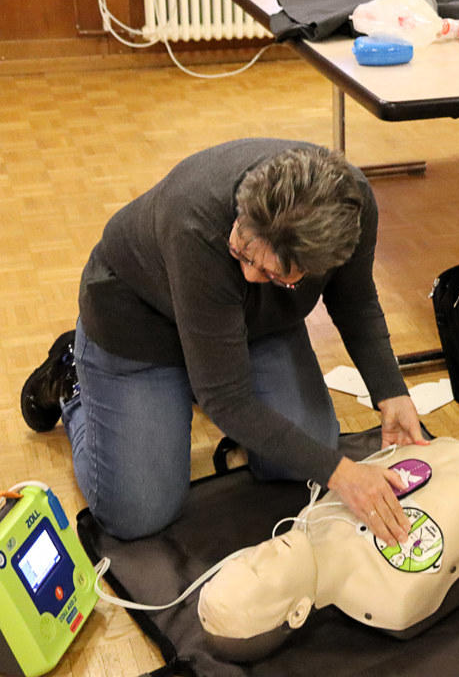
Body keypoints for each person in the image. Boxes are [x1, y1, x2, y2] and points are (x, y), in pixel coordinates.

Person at [20, 139, 426, 544]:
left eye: (274, 275)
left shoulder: (350, 207)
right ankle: (72, 383)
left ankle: (200, 372)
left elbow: (354, 299)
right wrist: (344, 475)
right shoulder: (196, 224)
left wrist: (391, 392)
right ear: (243, 207)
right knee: (139, 511)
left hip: (250, 326)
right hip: (139, 325)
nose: (250, 276)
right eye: (242, 251)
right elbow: (227, 400)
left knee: (307, 455)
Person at [197, 437, 459, 661]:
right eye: (258, 571)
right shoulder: (390, 598)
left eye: (244, 558)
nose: (261, 550)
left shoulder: (308, 518)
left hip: (443, 449)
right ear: (297, 612)